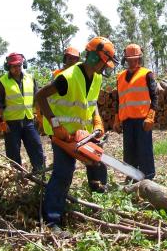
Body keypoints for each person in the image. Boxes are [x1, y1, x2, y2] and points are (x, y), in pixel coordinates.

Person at [35, 36, 119, 231]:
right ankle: (52, 220)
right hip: (63, 133)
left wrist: (97, 120)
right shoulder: (68, 77)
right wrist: (55, 124)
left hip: (83, 132)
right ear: (93, 58)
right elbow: (40, 96)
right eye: (102, 62)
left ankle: (100, 204)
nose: (104, 67)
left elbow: (92, 102)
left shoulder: (96, 77)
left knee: (97, 163)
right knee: (63, 173)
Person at [113, 43, 158, 180]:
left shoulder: (146, 74)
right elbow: (118, 100)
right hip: (127, 120)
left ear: (139, 59)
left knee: (144, 150)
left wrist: (150, 117)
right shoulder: (120, 77)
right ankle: (131, 177)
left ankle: (148, 177)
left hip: (142, 120)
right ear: (125, 60)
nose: (132, 62)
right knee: (129, 151)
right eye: (130, 60)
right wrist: (117, 119)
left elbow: (155, 97)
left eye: (135, 59)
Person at [0, 52, 44, 172]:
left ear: (23, 64)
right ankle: (16, 175)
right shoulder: (1, 82)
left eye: (19, 65)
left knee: (36, 147)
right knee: (13, 152)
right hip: (11, 124)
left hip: (28, 121)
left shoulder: (30, 79)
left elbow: (37, 99)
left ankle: (40, 171)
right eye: (14, 66)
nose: (17, 68)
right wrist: (2, 122)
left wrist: (40, 117)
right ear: (8, 67)